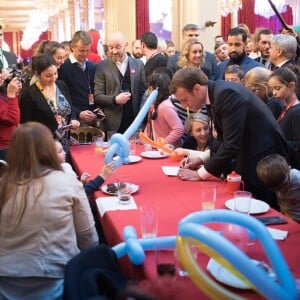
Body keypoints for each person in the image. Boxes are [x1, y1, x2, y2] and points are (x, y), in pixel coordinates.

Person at [0, 122, 98, 299]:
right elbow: (89, 240)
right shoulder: (67, 182)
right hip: (55, 281)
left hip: (5, 282)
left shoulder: (3, 186)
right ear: (48, 149)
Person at [170, 67, 289, 209]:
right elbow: (222, 138)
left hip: (263, 160)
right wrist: (202, 159)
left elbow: (231, 144)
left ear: (197, 88)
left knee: (262, 210)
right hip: (251, 156)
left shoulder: (227, 94)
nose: (184, 105)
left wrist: (201, 174)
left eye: (184, 100)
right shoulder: (214, 94)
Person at [20, 54, 80, 157]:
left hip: (65, 143)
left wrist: (73, 119)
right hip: (43, 145)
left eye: (55, 73)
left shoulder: (61, 85)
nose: (53, 78)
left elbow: (70, 107)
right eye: (48, 76)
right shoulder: (29, 94)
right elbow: (26, 124)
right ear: (37, 74)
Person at [94, 31, 147, 134]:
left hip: (134, 122)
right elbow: (97, 96)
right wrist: (115, 100)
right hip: (111, 123)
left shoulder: (138, 64)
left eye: (118, 47)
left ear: (126, 45)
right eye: (110, 47)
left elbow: (142, 92)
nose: (114, 51)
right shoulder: (102, 66)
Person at [59, 30, 98, 126]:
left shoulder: (92, 66)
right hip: (74, 121)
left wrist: (97, 110)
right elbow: (61, 98)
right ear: (72, 47)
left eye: (88, 50)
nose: (85, 54)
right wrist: (78, 113)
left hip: (92, 117)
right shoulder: (63, 67)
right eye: (81, 50)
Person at [268, 67, 300, 169]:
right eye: (272, 89)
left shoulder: (297, 112)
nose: (274, 93)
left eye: (277, 88)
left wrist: (277, 143)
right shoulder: (284, 106)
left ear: (291, 86)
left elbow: (297, 145)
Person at [143, 73, 184, 147]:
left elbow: (179, 129)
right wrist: (145, 140)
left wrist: (164, 142)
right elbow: (149, 126)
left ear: (151, 88)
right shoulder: (154, 105)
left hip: (168, 150)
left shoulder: (165, 107)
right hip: (157, 149)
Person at [256, 154, 300, 222]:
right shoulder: (277, 181)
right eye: (277, 188)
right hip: (287, 218)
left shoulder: (297, 178)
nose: (282, 189)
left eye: (285, 184)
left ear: (289, 169)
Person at [0, 75, 21, 159]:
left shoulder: (2, 91)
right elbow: (12, 118)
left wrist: (15, 94)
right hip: (3, 149)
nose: (1, 76)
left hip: (12, 144)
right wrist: (11, 95)